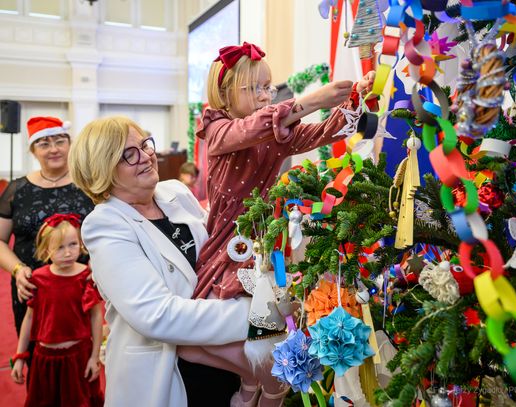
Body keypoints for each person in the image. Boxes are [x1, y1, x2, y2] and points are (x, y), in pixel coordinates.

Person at [184, 42, 375, 407]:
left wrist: (354, 97)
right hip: (227, 248)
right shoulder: (218, 130)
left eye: (267, 87)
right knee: (210, 341)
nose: (264, 95)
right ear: (225, 94)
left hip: (264, 245)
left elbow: (322, 132)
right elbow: (248, 129)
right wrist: (312, 100)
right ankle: (252, 381)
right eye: (253, 87)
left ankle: (257, 386)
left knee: (268, 336)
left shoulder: (275, 133)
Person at [68, 115, 252, 407]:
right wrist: (254, 317)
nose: (146, 157)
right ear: (103, 168)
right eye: (128, 154)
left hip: (223, 359)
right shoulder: (104, 224)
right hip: (168, 377)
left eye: (145, 145)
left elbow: (217, 253)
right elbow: (158, 315)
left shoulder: (175, 191)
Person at [0, 116, 94, 336]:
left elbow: (108, 233)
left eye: (60, 141)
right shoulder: (17, 189)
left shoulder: (89, 185)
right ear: (33, 150)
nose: (54, 149)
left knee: (81, 347)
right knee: (33, 345)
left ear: (70, 144)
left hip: (80, 286)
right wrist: (17, 270)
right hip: (32, 288)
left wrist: (97, 263)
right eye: (44, 144)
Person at [10, 213, 104, 407]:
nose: (68, 253)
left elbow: (96, 317)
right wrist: (20, 356)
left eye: (73, 244)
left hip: (78, 358)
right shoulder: (38, 279)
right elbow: (29, 319)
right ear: (46, 249)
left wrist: (94, 357)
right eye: (59, 247)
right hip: (44, 360)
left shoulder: (86, 277)